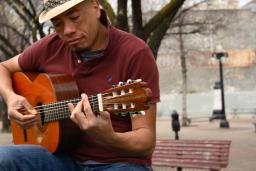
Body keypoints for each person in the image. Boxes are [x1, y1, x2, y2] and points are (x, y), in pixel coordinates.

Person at [0, 0, 160, 171]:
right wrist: (11, 97)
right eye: (58, 24)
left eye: (75, 17)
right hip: (62, 158)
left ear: (95, 7)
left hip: (118, 163)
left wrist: (110, 137)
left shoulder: (134, 52)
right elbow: (3, 67)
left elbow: (146, 142)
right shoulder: (50, 46)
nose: (67, 30)